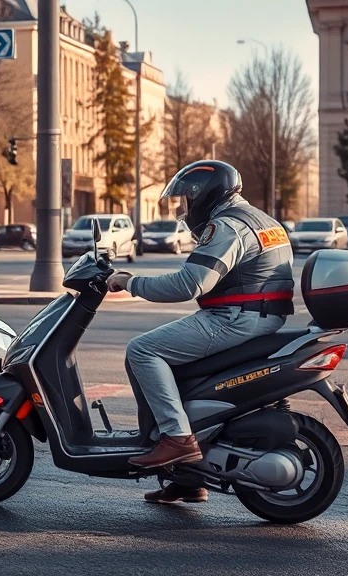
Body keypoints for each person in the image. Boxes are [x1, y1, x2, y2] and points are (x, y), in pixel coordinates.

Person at [106, 160, 294, 505]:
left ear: (204, 194)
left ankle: (177, 439)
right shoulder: (263, 220)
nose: (184, 209)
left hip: (236, 318)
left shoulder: (227, 227)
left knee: (143, 351)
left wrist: (130, 282)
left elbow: (189, 284)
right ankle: (188, 479)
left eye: (186, 200)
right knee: (175, 368)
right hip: (262, 316)